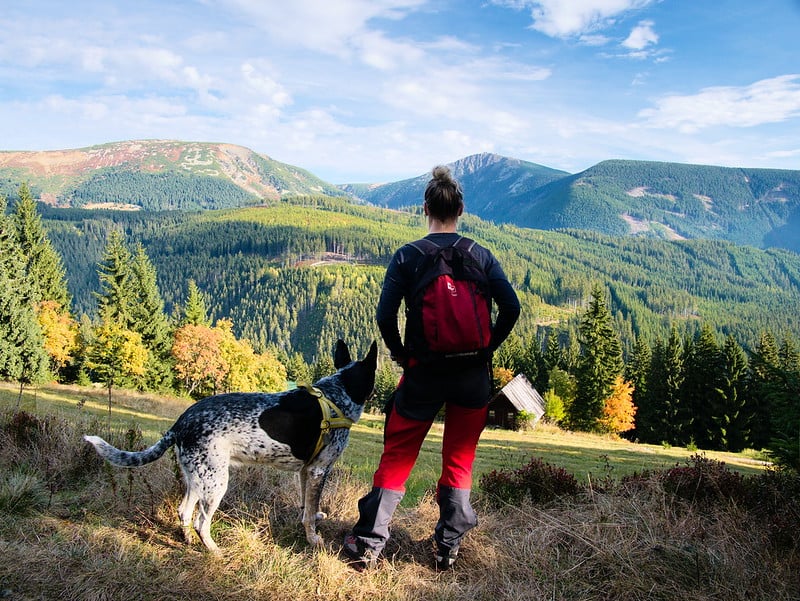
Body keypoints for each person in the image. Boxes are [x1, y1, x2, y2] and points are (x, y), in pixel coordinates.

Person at [343, 165, 521, 570]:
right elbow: (511, 308)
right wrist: (487, 348)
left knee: (398, 455)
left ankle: (367, 546)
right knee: (459, 459)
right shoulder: (481, 254)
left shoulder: (408, 256)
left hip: (422, 374)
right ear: (461, 208)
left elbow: (386, 316)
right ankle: (447, 547)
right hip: (473, 377)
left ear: (425, 208)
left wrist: (402, 353)